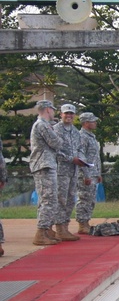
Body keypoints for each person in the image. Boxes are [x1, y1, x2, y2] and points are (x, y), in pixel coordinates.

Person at [30, 100, 63, 245]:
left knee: (48, 199)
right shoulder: (42, 125)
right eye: (53, 110)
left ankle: (47, 230)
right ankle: (41, 232)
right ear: (48, 110)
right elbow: (56, 143)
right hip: (44, 165)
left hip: (46, 164)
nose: (54, 113)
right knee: (48, 200)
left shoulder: (43, 125)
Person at [53, 103, 86, 240]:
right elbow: (55, 151)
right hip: (61, 170)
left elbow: (80, 149)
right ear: (61, 114)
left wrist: (82, 160)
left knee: (71, 199)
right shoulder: (55, 130)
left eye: (71, 113)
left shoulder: (75, 132)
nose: (69, 116)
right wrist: (72, 159)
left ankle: (65, 226)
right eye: (66, 113)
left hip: (74, 171)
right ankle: (59, 228)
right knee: (61, 199)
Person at [75, 112, 103, 235]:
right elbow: (82, 157)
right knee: (84, 198)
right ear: (86, 123)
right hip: (85, 174)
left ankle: (86, 221)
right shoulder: (82, 137)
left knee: (91, 199)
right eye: (92, 121)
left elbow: (95, 157)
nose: (95, 123)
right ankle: (82, 223)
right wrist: (86, 175)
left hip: (93, 173)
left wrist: (98, 173)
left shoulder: (91, 136)